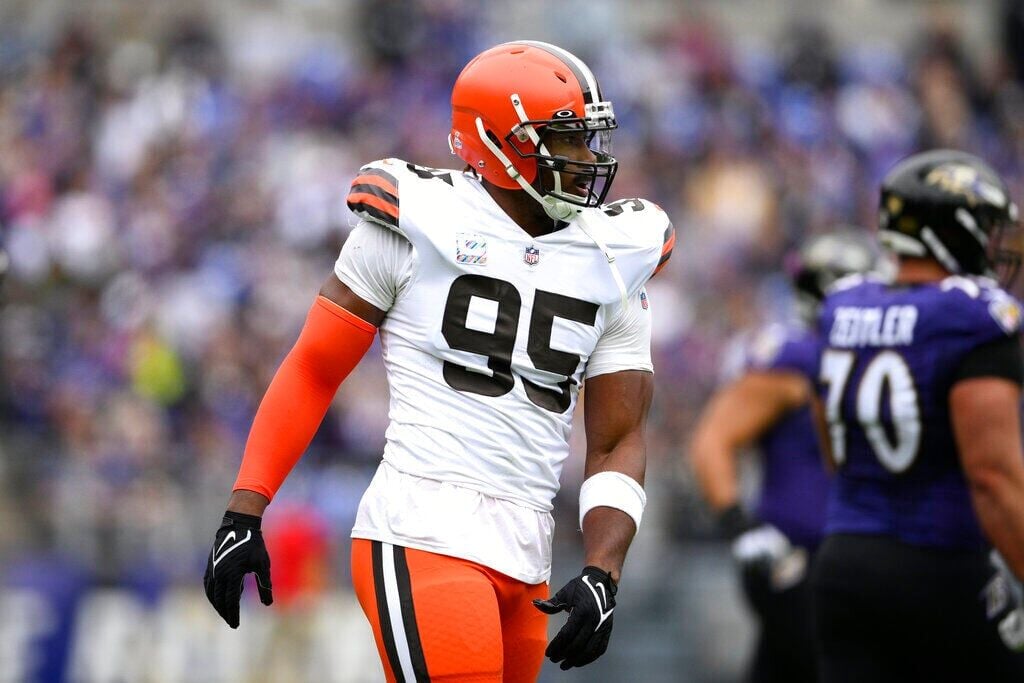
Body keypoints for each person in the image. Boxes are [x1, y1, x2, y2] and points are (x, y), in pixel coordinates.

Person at [202, 40, 674, 681]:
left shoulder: (619, 253)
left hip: (528, 549)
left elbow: (619, 437)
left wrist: (603, 569)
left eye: (588, 139)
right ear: (497, 142)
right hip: (422, 527)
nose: (587, 159)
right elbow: (315, 367)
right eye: (564, 141)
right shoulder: (417, 218)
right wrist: (245, 509)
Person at [811, 149, 1024, 682]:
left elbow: (833, 447)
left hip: (844, 561)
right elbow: (993, 479)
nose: (996, 245)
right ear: (950, 231)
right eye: (987, 228)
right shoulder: (972, 316)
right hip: (941, 564)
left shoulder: (843, 306)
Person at [689, 229, 877, 683]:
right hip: (794, 556)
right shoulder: (795, 359)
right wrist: (739, 523)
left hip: (840, 557)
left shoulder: (857, 360)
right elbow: (711, 441)